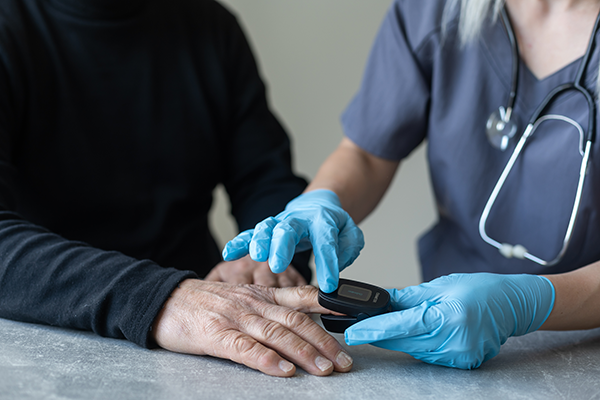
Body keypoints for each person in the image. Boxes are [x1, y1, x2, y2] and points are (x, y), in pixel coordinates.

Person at [224, 0, 600, 369]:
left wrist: (531, 302)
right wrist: (323, 200)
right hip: (445, 333)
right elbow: (368, 154)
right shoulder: (432, 10)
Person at [0, 0, 354, 377]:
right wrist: (158, 298)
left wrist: (265, 260)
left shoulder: (210, 25)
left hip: (203, 328)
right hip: (44, 337)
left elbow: (263, 178)